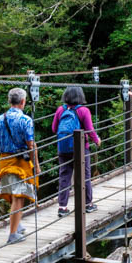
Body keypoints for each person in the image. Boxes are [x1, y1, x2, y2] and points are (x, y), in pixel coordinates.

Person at [0, 88, 39, 244]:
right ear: (23, 101)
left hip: (5, 160)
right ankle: (13, 235)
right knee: (19, 196)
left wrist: (2, 147)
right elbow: (31, 145)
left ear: (9, 101)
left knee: (13, 192)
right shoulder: (25, 120)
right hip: (20, 163)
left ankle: (16, 224)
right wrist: (36, 165)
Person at [52, 86, 100, 217]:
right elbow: (89, 130)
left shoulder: (60, 110)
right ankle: (88, 204)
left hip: (63, 148)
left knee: (64, 176)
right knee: (85, 175)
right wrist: (96, 140)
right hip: (80, 149)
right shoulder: (83, 110)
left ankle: (62, 207)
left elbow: (54, 128)